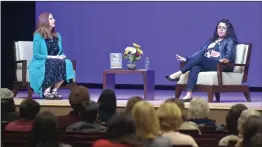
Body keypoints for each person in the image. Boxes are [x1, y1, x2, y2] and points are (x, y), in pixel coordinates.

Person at [165, 19, 238, 101]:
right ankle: (189, 95)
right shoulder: (212, 40)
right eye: (219, 27)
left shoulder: (230, 41)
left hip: (221, 65)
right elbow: (201, 51)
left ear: (228, 30)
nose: (220, 29)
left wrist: (226, 59)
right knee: (195, 67)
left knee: (201, 58)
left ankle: (179, 73)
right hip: (209, 63)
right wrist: (187, 58)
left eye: (224, 28)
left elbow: (230, 54)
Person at [28, 12, 75, 100]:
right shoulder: (38, 36)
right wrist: (53, 57)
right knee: (52, 62)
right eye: (51, 18)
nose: (54, 20)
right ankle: (46, 91)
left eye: (53, 18)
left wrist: (62, 56)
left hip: (55, 61)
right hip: (40, 62)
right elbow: (36, 55)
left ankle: (54, 91)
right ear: (44, 21)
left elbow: (60, 52)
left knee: (67, 62)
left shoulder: (57, 36)